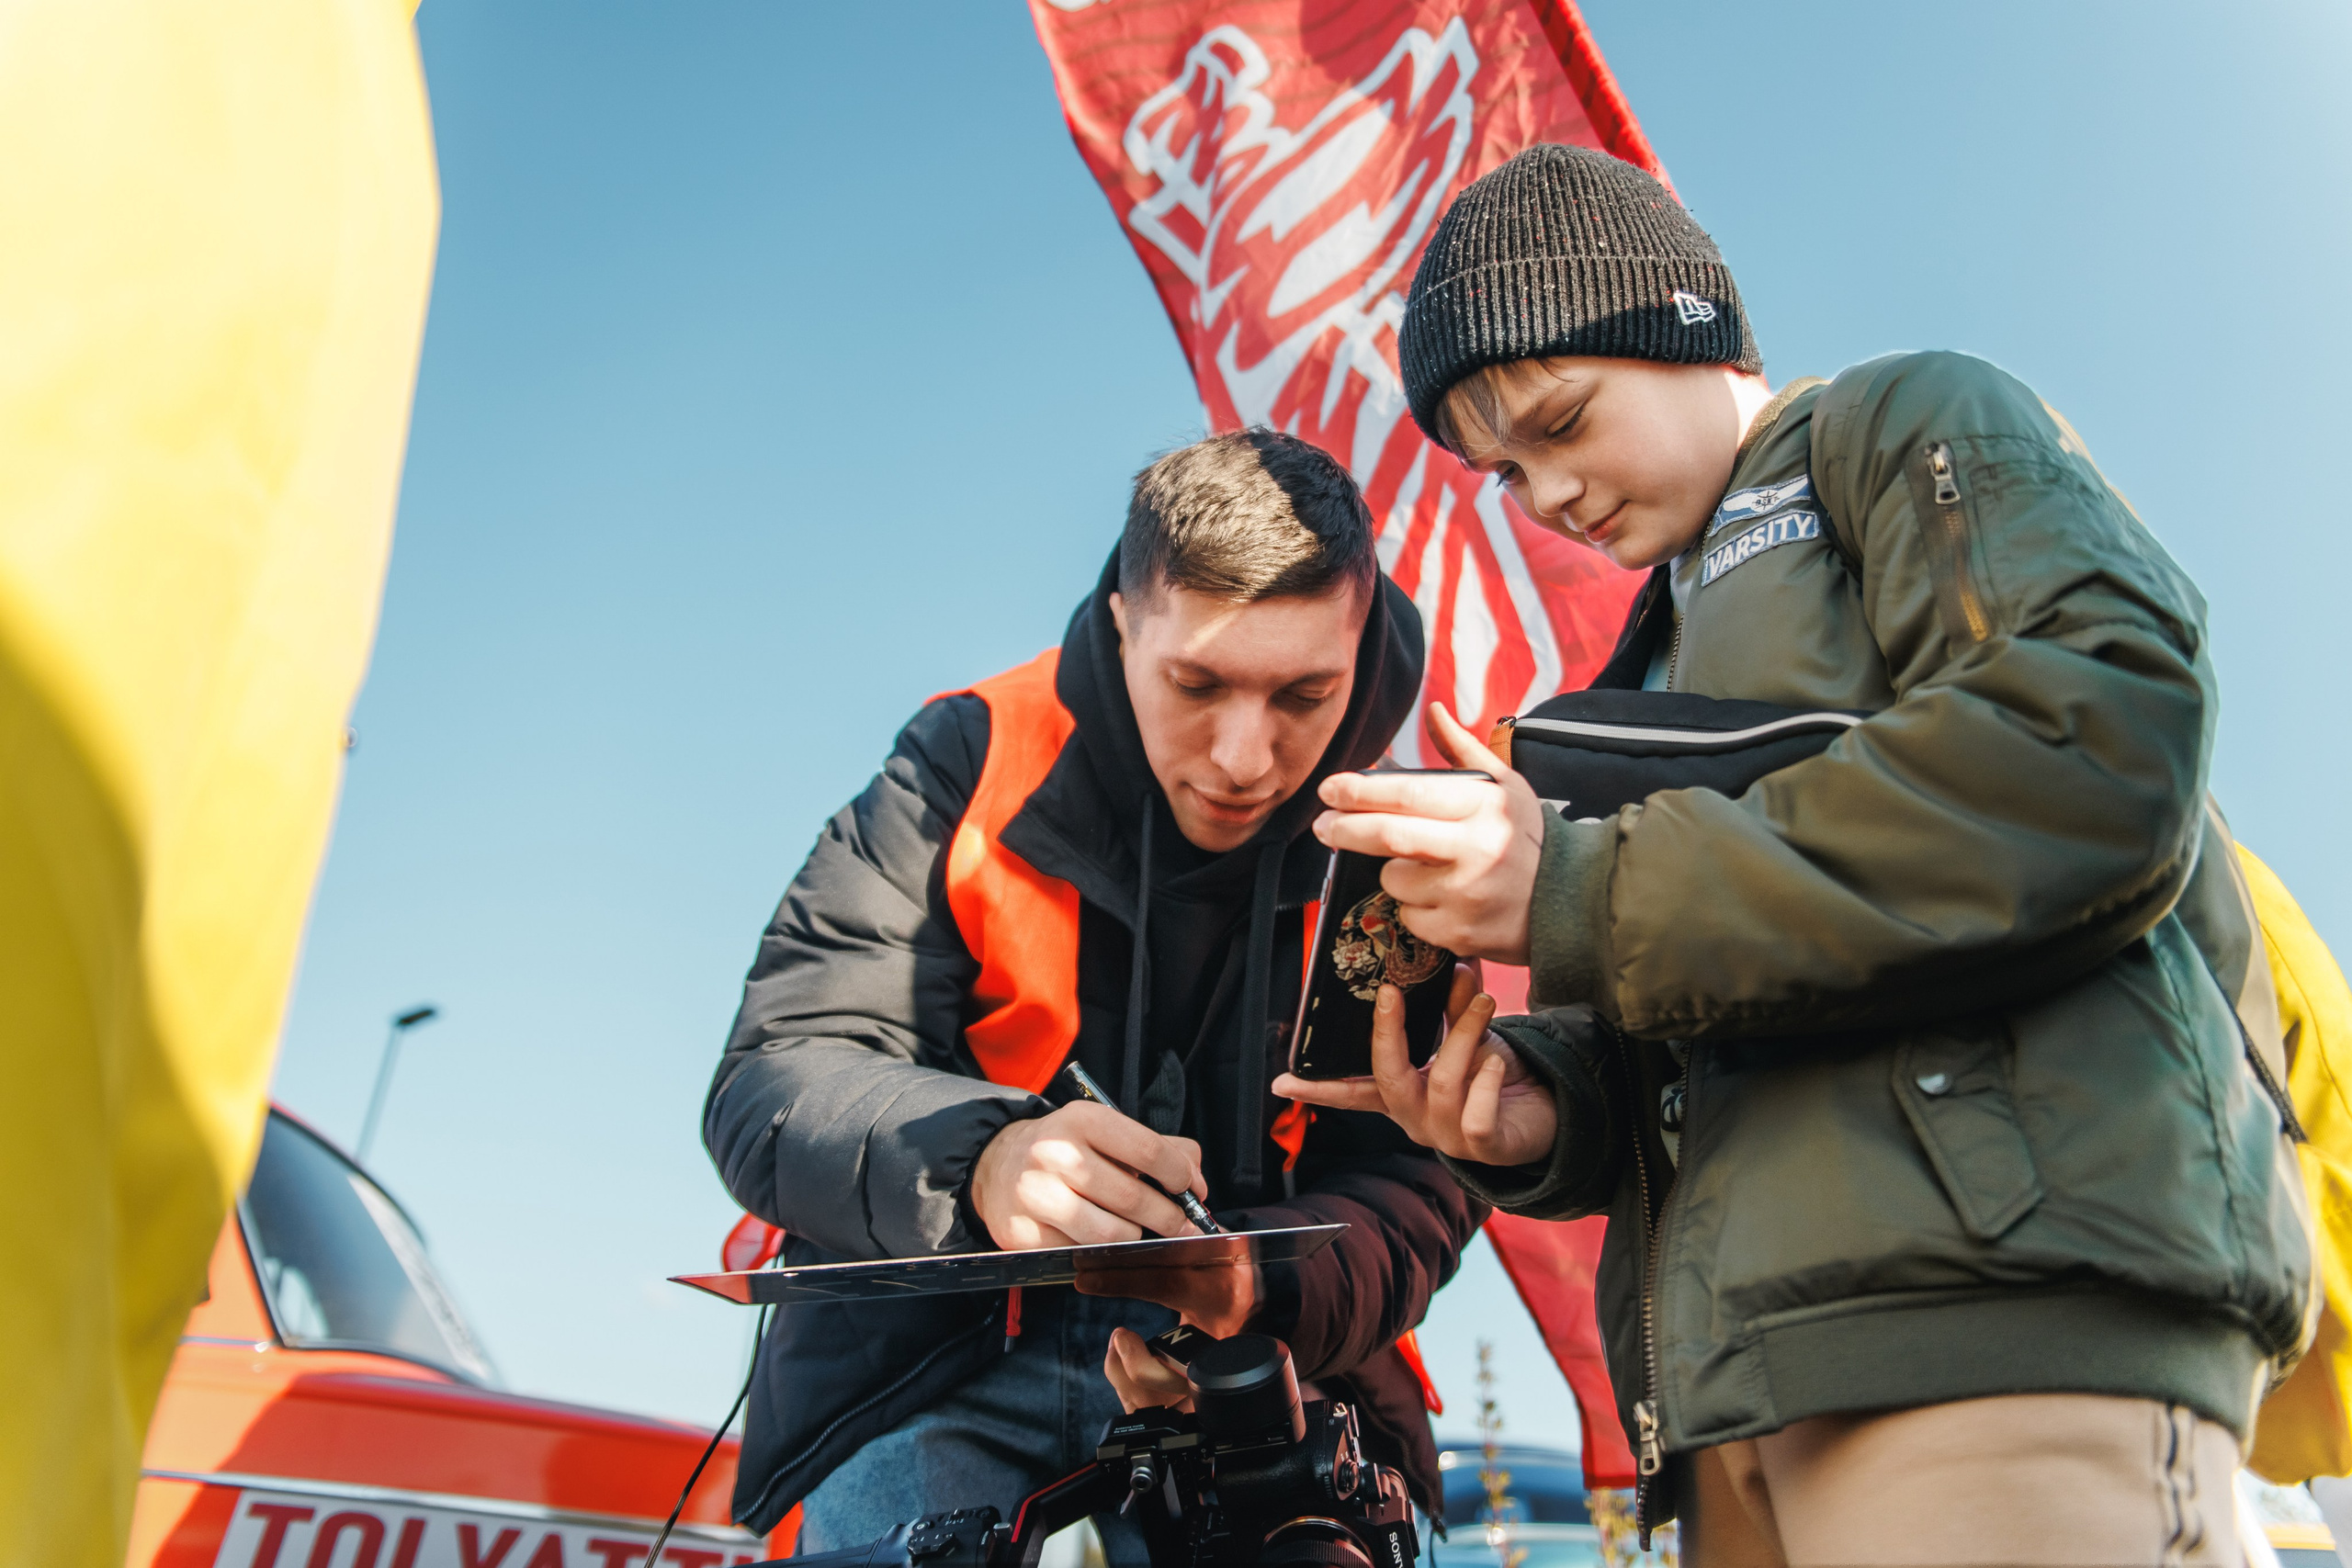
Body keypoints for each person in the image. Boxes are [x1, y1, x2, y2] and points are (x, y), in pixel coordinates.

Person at [1274, 144, 2312, 1566]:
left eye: (1564, 422)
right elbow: (1707, 1004)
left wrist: (1578, 884)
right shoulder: (1636, 664)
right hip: (1733, 1404)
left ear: (1689, 323)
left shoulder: (1903, 421)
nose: (1547, 496)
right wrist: (1538, 1110)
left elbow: (2095, 744)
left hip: (1997, 1330)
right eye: (1504, 474)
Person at [702, 430, 1485, 1558]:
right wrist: (982, 1158)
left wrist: (1261, 1294)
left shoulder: (1398, 843)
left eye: (1305, 695)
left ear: (1358, 649)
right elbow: (776, 1074)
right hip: (936, 1358)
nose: (1245, 757)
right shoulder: (966, 754)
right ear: (1124, 618)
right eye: (1198, 684)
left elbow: (1419, 1173)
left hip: (1269, 1370)